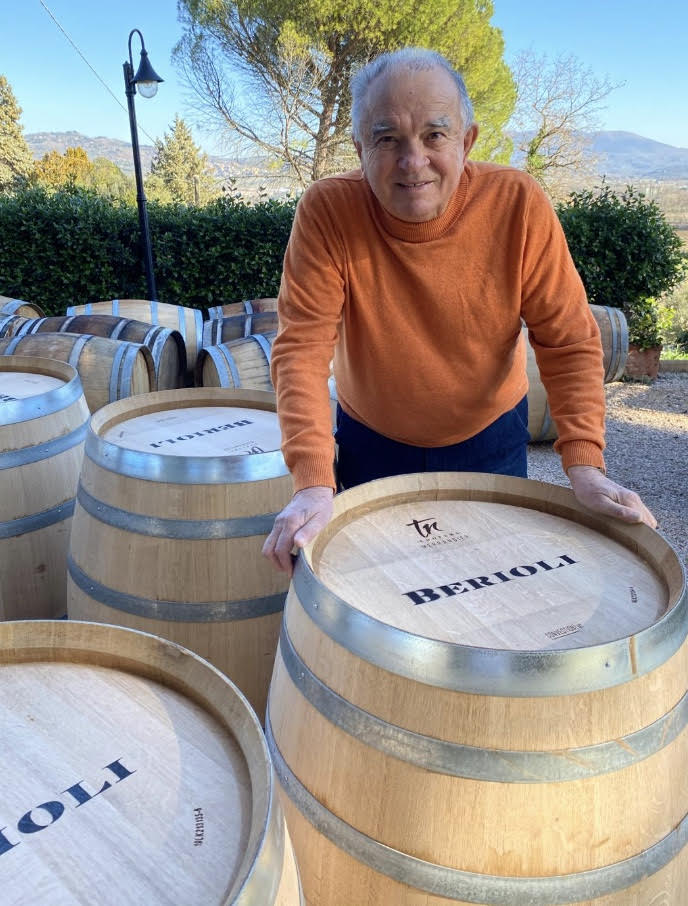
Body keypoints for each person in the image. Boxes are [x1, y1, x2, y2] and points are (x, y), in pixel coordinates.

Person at [263, 47, 656, 574]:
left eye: (434, 135)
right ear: (360, 147)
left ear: (466, 141)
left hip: (490, 436)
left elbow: (567, 339)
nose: (412, 162)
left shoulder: (516, 203)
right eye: (387, 139)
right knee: (380, 593)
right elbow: (301, 352)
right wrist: (312, 481)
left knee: (486, 588)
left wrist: (584, 465)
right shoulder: (327, 210)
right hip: (370, 439)